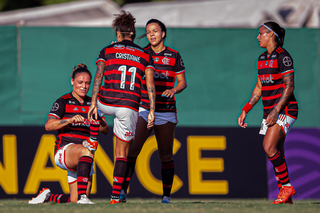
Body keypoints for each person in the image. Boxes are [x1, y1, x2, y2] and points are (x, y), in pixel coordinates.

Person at [88, 10, 156, 204]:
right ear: (133, 34)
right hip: (129, 105)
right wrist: (151, 109)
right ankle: (115, 196)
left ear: (118, 34)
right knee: (121, 154)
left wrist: (93, 103)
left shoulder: (107, 50)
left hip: (106, 101)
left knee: (91, 108)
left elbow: (98, 76)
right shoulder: (144, 55)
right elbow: (150, 84)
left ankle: (93, 137)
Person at [120, 19, 187, 204]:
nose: (151, 34)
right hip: (144, 108)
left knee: (165, 153)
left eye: (155, 31)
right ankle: (122, 192)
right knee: (133, 149)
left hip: (166, 110)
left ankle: (166, 196)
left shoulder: (173, 55)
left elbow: (183, 82)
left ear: (163, 33)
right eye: (148, 31)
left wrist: (173, 90)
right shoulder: (141, 53)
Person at [28, 63, 109, 204]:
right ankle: (83, 197)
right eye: (80, 82)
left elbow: (105, 130)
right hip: (64, 151)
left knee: (74, 200)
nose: (84, 86)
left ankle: (48, 196)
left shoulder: (93, 104)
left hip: (84, 158)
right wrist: (69, 120)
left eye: (87, 83)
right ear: (72, 81)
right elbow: (49, 125)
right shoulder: (63, 102)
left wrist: (98, 119)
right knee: (86, 151)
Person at [238, 21, 298, 204]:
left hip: (284, 109)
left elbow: (290, 86)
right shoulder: (262, 58)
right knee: (277, 151)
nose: (258, 37)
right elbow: (259, 87)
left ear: (271, 35)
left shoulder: (283, 57)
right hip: (269, 112)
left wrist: (276, 110)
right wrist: (246, 109)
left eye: (261, 33)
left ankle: (287, 187)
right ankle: (285, 196)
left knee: (268, 147)